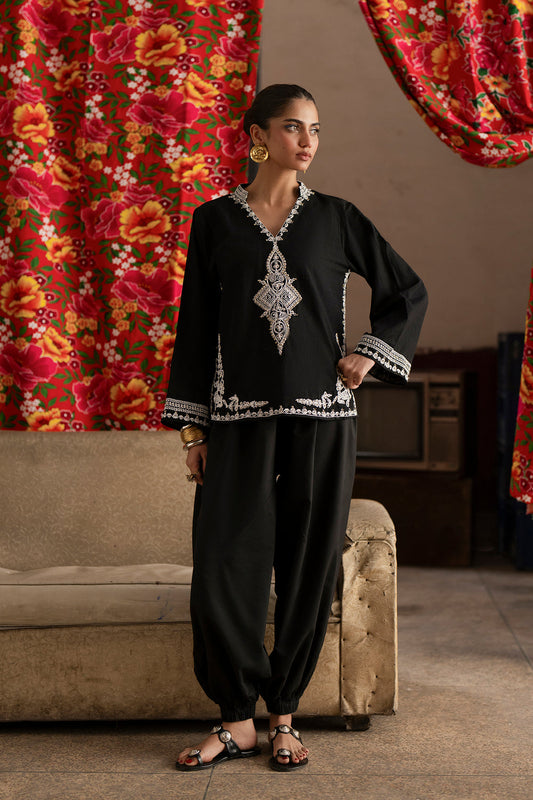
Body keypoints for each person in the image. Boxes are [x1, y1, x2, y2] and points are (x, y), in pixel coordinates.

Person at [162, 83, 428, 773]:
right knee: (222, 568)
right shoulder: (214, 221)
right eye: (291, 127)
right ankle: (235, 720)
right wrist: (193, 432)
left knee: (308, 567)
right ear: (256, 136)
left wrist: (369, 354)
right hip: (237, 419)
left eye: (314, 129)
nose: (307, 141)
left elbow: (406, 291)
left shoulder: (336, 218)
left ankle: (283, 717)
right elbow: (195, 328)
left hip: (322, 419)